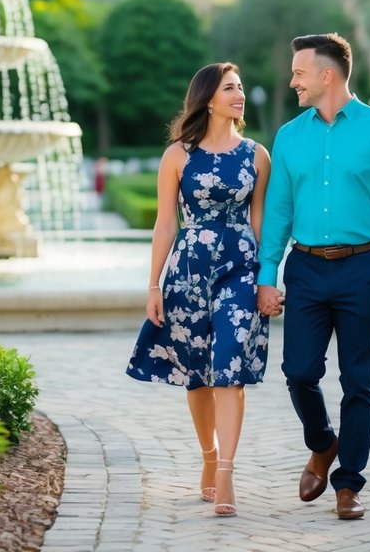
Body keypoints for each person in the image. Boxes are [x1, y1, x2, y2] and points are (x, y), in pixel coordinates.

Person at [256, 33, 370, 521]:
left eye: (299, 73)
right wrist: (268, 274)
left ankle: (349, 485)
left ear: (328, 74)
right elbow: (279, 210)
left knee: (358, 380)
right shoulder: (289, 136)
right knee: (299, 372)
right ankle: (323, 444)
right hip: (304, 267)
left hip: (363, 269)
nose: (292, 82)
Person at [126, 62, 276, 518]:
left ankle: (227, 470)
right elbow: (165, 223)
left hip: (240, 270)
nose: (240, 94)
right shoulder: (178, 155)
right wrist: (153, 284)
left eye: (241, 87)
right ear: (208, 98)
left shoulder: (256, 155)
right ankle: (208, 457)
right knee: (198, 374)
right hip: (187, 273)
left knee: (229, 365)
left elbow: (260, 225)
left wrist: (267, 278)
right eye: (230, 88)